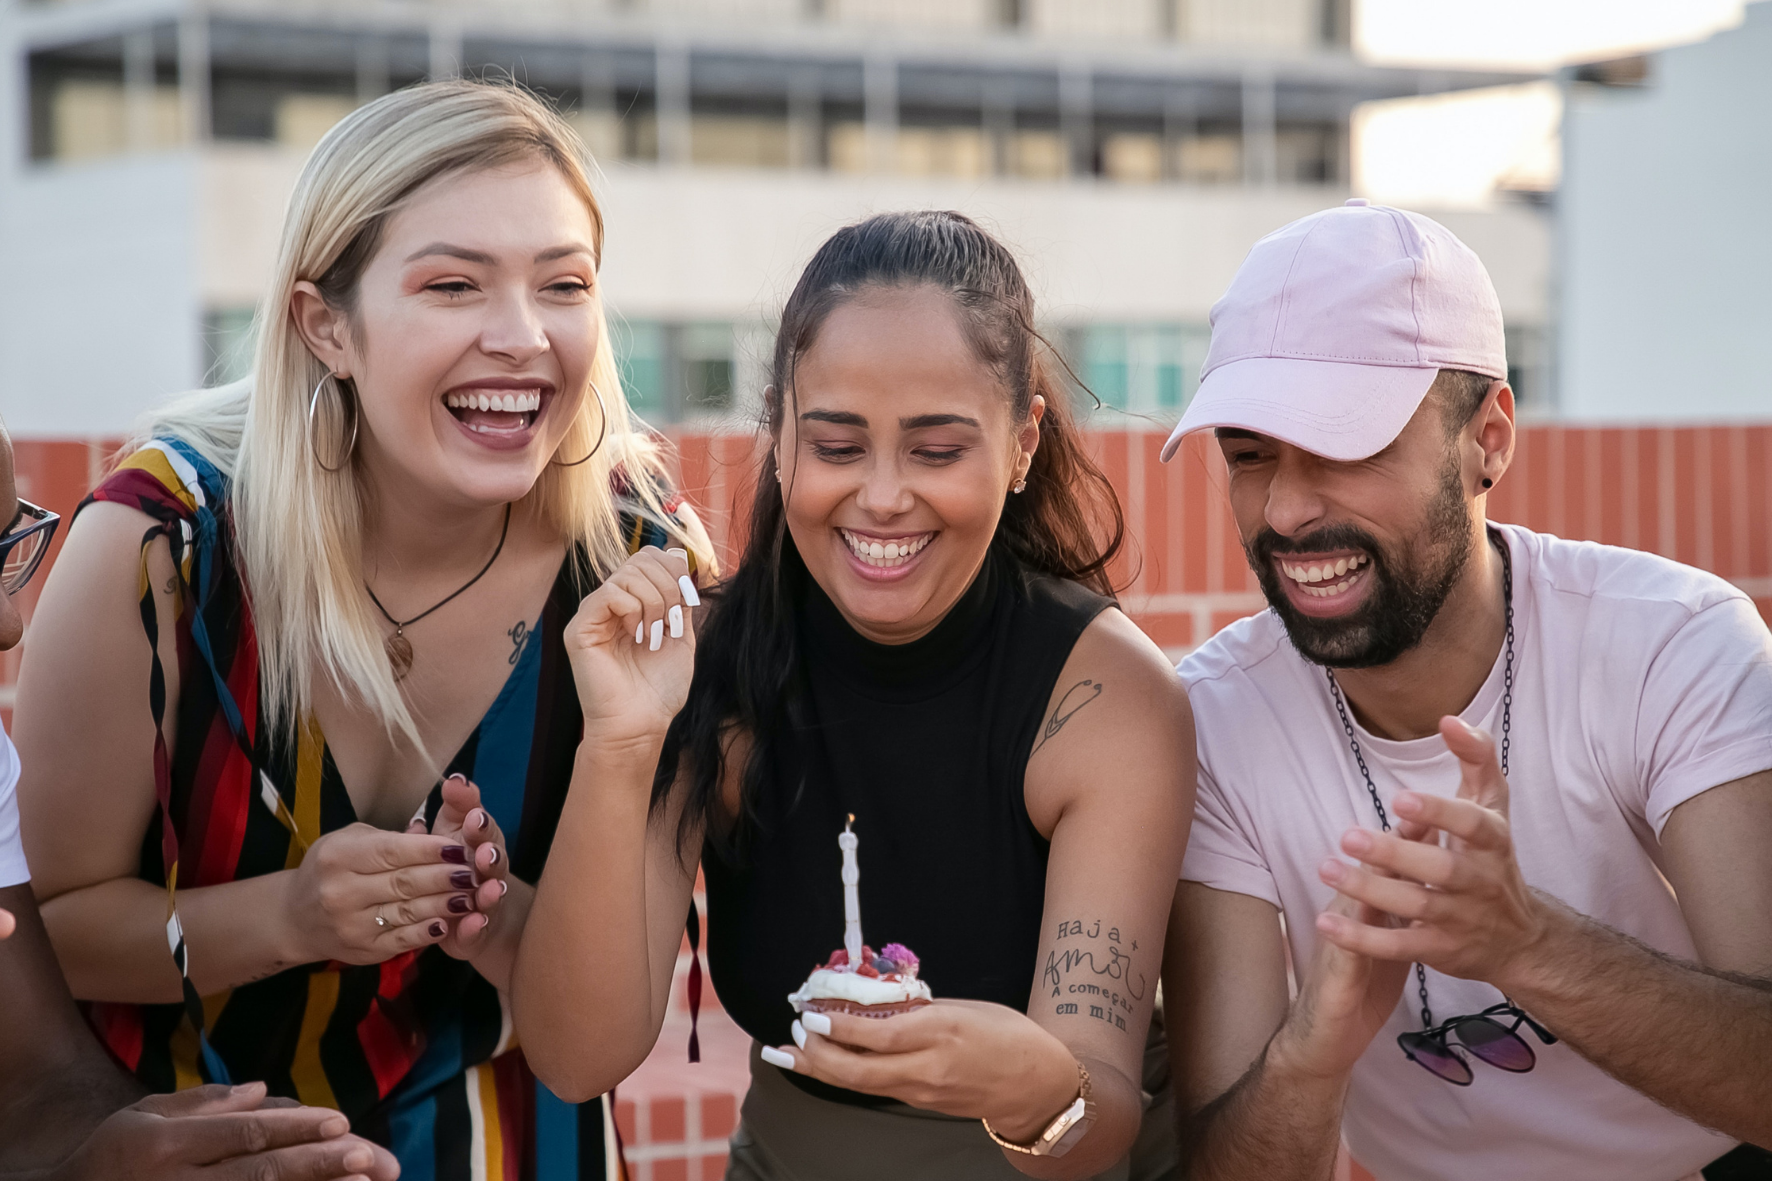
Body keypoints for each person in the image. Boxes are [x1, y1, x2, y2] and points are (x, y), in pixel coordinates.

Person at [12, 81, 709, 1178]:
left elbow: (587, 1053)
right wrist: (287, 913)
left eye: (563, 284)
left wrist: (533, 885)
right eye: (452, 284)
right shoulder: (161, 547)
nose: (522, 337)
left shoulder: (640, 577)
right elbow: (47, 939)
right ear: (324, 323)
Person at [508, 210, 1195, 1180]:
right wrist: (620, 743)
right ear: (780, 438)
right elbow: (579, 1057)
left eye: (935, 449)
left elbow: (1098, 1113)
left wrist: (1014, 1082)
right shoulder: (697, 670)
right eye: (836, 445)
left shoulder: (1101, 697)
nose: (880, 496)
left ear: (1021, 442)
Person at [1158, 198, 1772, 1181]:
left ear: (1486, 437)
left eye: (1342, 445)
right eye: (1248, 455)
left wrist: (1522, 941)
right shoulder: (1208, 720)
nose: (1283, 508)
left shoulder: (1673, 644)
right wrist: (1310, 1054)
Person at [0, 423, 399, 1181]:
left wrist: (174, 1146)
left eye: (2, 550)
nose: (10, 625)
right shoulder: (169, 534)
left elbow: (33, 1080)